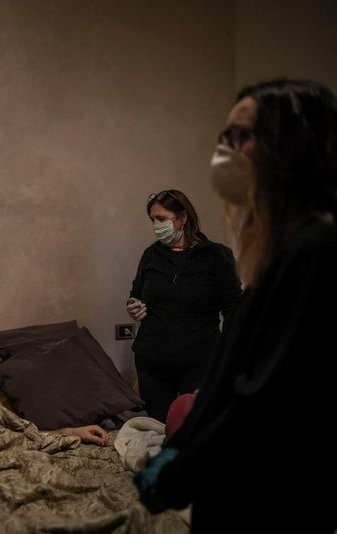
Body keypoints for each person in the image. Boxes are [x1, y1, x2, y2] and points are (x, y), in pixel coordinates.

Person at [134, 78, 337, 532]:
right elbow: (230, 385)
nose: (224, 151)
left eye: (241, 136)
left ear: (291, 147)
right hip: (225, 495)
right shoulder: (275, 255)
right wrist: (179, 447)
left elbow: (262, 405)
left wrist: (179, 474)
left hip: (267, 503)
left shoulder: (317, 251)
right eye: (223, 137)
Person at [126, 189, 242, 421]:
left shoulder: (216, 256)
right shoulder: (151, 254)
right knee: (157, 429)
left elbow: (234, 309)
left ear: (182, 218)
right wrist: (132, 305)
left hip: (200, 361)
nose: (156, 225)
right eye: (152, 220)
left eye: (161, 219)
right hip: (152, 361)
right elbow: (135, 294)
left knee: (195, 427)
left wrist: (231, 355)